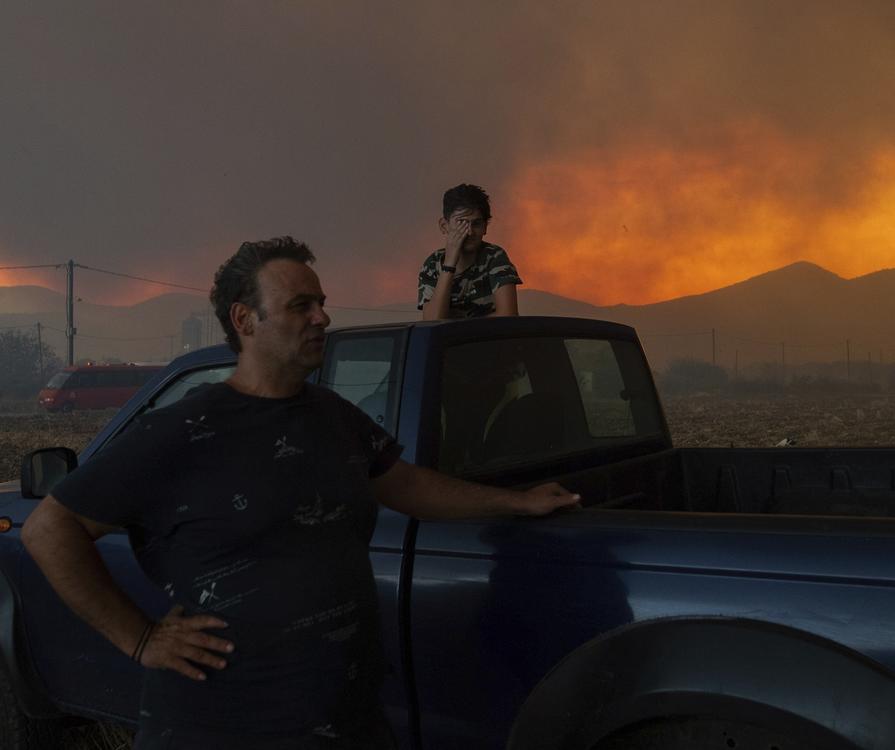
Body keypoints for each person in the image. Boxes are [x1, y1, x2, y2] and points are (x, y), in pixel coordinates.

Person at [21, 237, 578, 750]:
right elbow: (50, 529)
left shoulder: (333, 417)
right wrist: (140, 640)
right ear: (245, 320)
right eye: (300, 306)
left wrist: (516, 502)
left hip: (347, 720)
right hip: (224, 728)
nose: (322, 317)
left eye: (321, 302)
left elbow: (405, 484)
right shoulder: (181, 430)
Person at [418, 183, 522, 320]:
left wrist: (456, 324)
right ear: (444, 226)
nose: (469, 232)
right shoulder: (433, 264)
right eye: (461, 223)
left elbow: (508, 316)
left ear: (485, 227)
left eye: (476, 224)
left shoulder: (494, 257)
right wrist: (449, 264)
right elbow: (431, 321)